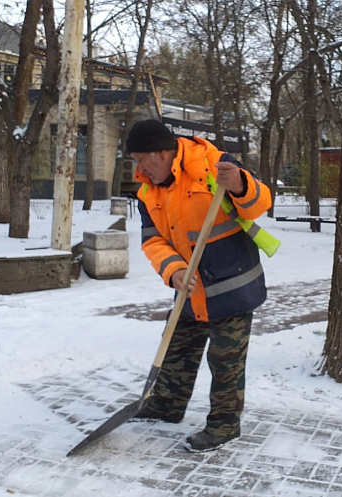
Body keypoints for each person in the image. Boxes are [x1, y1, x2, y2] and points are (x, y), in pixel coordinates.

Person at [125, 119, 274, 452]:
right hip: (190, 288)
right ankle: (166, 405)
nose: (140, 169)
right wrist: (174, 269)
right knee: (176, 347)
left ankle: (224, 425)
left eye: (142, 160)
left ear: (161, 153)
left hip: (231, 285)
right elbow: (153, 242)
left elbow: (260, 204)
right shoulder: (148, 193)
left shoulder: (212, 164)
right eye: (135, 161)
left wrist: (239, 184)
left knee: (225, 361)